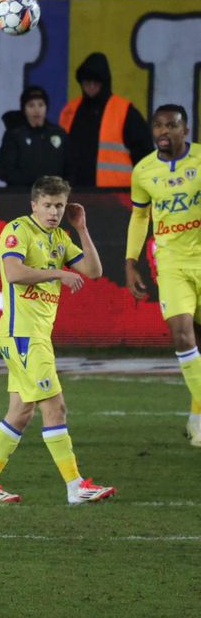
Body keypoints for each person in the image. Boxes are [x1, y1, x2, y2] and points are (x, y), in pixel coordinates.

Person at [0, 176, 115, 504]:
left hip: (34, 337)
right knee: (55, 406)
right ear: (34, 204)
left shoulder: (61, 237)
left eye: (59, 206)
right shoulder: (18, 231)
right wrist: (59, 273)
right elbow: (14, 273)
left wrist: (81, 228)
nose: (53, 212)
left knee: (21, 413)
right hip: (23, 336)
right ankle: (75, 486)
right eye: (48, 205)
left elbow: (94, 271)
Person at [126, 104, 201, 449]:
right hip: (171, 263)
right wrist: (130, 261)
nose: (163, 132)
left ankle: (196, 419)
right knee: (182, 335)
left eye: (171, 125)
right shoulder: (143, 171)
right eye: (158, 126)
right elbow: (141, 218)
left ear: (185, 130)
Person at [59, 53, 153, 189]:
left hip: (117, 194)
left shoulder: (125, 111)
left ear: (105, 82)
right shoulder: (70, 110)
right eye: (86, 82)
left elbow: (145, 155)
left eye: (96, 82)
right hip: (75, 191)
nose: (91, 86)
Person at [0, 85, 69, 187]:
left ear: (46, 108)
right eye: (31, 105)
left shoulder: (59, 133)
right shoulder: (15, 135)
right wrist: (32, 183)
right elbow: (3, 170)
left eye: (41, 105)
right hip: (22, 195)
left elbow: (70, 167)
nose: (37, 110)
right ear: (24, 109)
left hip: (54, 196)